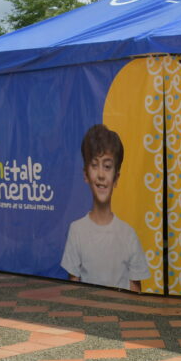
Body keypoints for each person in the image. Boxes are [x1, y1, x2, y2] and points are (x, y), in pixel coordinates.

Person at [61, 124, 149, 292]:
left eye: (107, 166)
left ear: (116, 178)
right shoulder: (77, 231)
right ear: (86, 174)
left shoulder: (128, 235)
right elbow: (73, 289)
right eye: (94, 165)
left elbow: (136, 293)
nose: (101, 174)